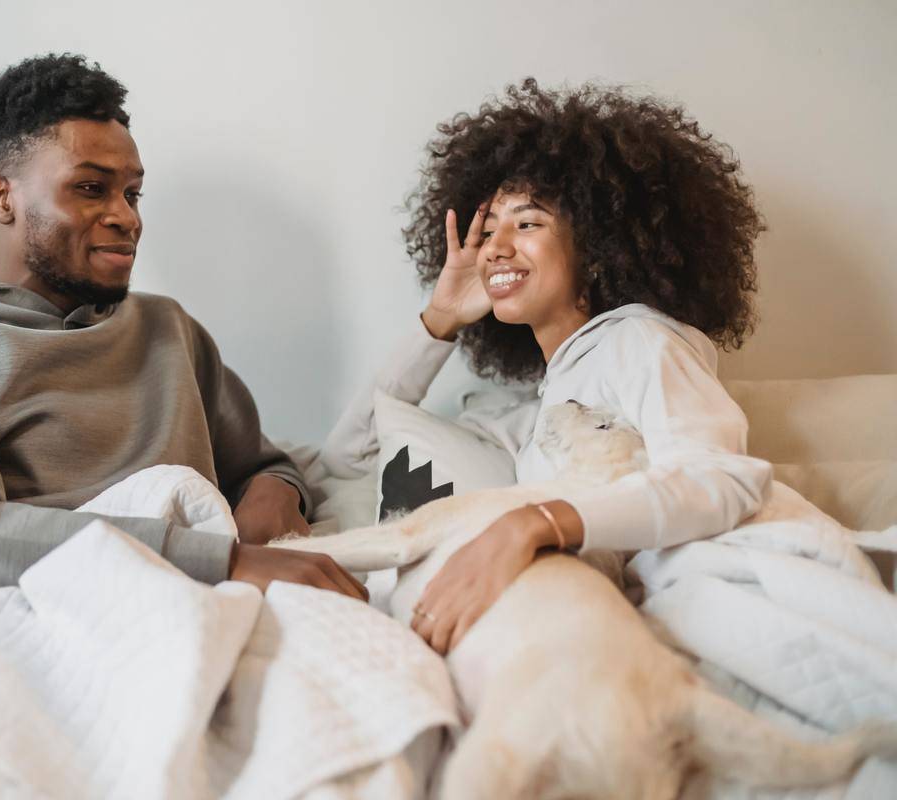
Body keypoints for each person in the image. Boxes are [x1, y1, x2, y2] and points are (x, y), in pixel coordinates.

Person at [0, 54, 365, 602]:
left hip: (199, 599)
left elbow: (263, 465)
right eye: (92, 189)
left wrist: (273, 493)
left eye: (132, 193)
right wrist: (222, 560)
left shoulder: (170, 331)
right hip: (17, 608)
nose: (128, 217)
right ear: (2, 200)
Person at [323, 78, 772, 653]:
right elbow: (346, 456)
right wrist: (441, 319)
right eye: (488, 231)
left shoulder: (639, 342)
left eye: (527, 223)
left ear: (598, 243)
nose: (495, 248)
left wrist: (537, 523)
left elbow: (723, 478)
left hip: (669, 627)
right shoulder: (533, 418)